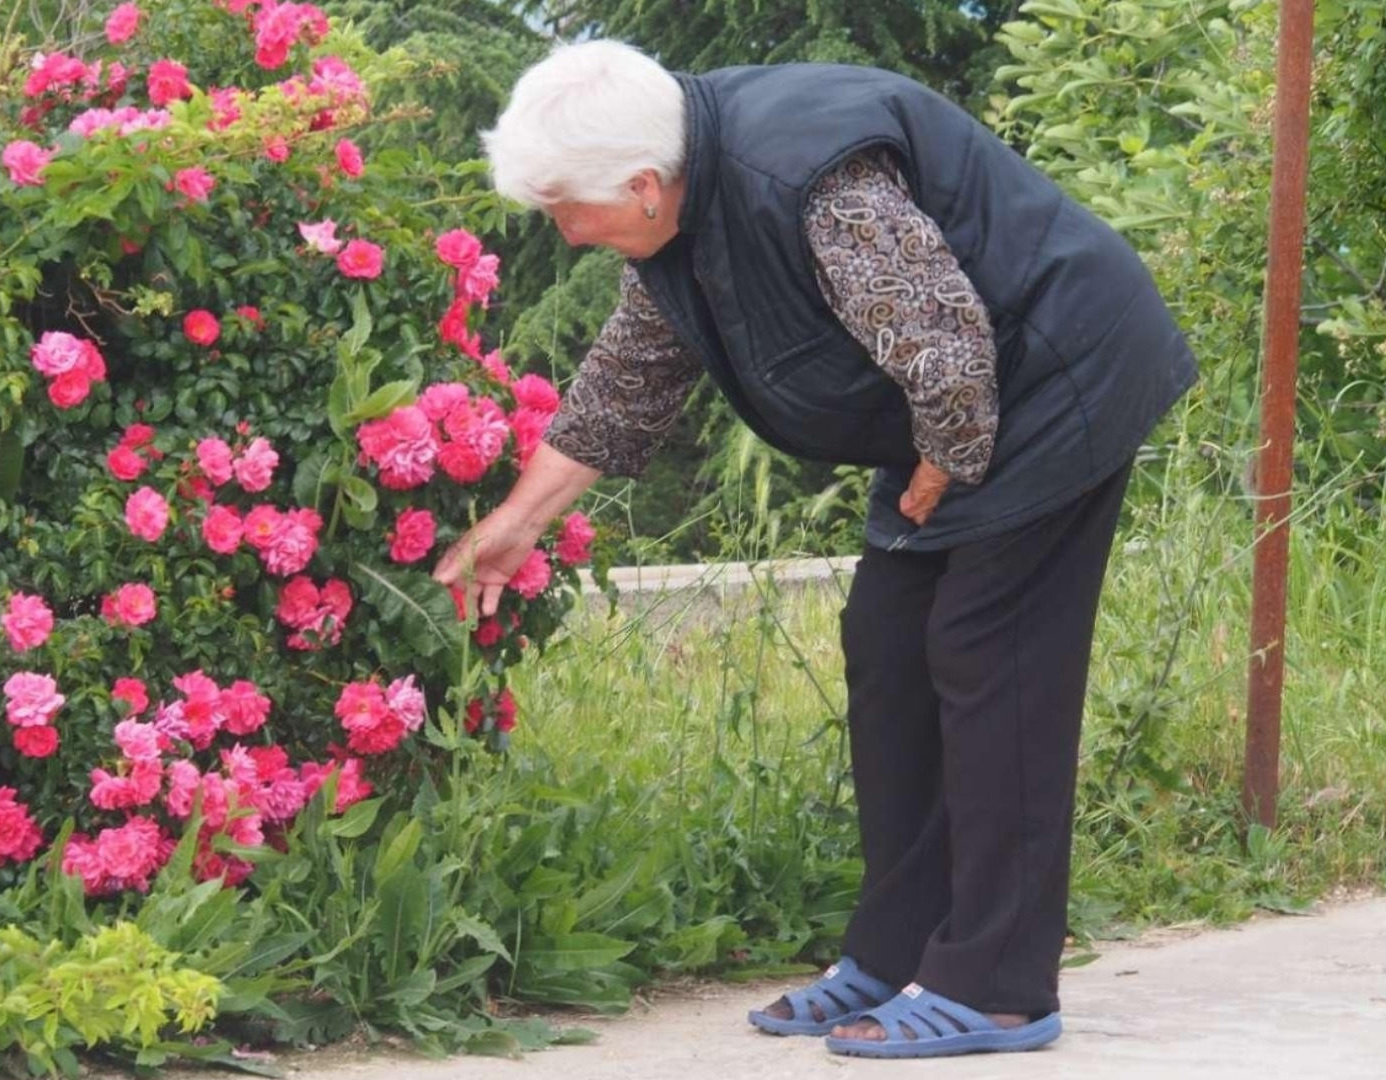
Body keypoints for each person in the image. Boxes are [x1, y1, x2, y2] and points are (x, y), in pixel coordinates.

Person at [431, 40, 1196, 1060]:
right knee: (887, 644)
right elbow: (625, 388)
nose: (565, 234)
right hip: (962, 400)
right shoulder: (675, 215)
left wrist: (937, 469)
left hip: (1056, 372)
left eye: (569, 208)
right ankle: (896, 950)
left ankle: (1000, 988)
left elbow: (948, 347)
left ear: (644, 186)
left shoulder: (806, 180)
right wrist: (510, 527)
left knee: (986, 652)